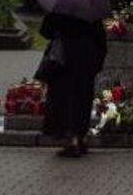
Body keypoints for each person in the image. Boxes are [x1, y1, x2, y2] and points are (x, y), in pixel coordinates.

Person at [40, 12, 107, 158]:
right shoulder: (90, 11)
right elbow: (101, 39)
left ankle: (72, 140)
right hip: (86, 61)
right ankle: (81, 138)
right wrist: (97, 63)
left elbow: (45, 31)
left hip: (63, 61)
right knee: (82, 100)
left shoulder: (59, 9)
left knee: (65, 101)